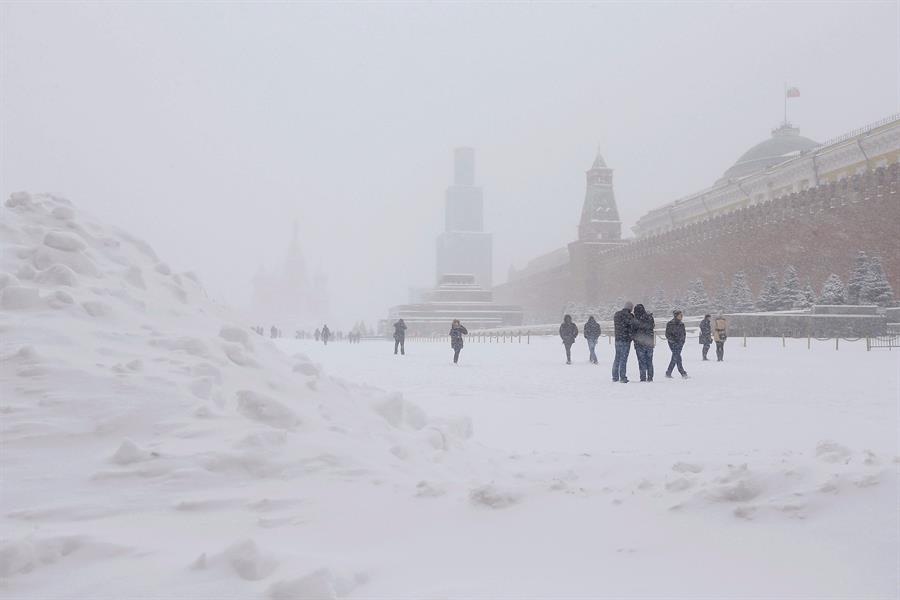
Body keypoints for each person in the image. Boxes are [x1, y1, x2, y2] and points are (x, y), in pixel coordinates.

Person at [612, 301, 635, 383]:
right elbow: (631, 327)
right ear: (631, 308)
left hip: (618, 339)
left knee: (617, 358)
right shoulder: (630, 316)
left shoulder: (617, 314)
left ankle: (615, 376)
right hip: (626, 340)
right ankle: (622, 377)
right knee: (623, 359)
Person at [632, 304, 655, 382]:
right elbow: (652, 327)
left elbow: (633, 331)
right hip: (649, 342)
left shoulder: (635, 320)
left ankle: (643, 377)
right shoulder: (649, 317)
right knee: (649, 361)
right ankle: (650, 377)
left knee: (641, 362)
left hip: (639, 343)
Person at [665, 310, 688, 379]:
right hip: (673, 344)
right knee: (676, 357)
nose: (681, 316)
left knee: (676, 358)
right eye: (680, 315)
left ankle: (669, 372)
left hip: (680, 343)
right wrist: (673, 341)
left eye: (682, 315)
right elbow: (668, 334)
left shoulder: (681, 324)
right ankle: (682, 372)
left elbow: (684, 334)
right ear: (676, 315)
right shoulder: (670, 324)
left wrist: (682, 341)